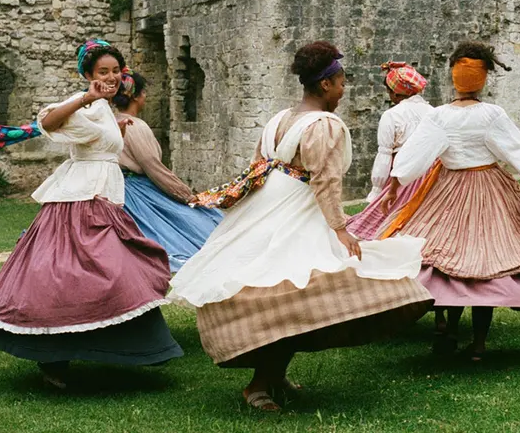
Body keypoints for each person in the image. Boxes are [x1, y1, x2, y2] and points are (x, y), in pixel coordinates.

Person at [167, 41, 433, 412]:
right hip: (296, 209)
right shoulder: (324, 125)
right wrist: (340, 228)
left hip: (272, 202)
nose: (343, 91)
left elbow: (259, 165)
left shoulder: (279, 119)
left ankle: (272, 377)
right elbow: (325, 180)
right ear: (325, 85)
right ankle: (260, 383)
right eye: (341, 83)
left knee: (287, 293)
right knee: (291, 291)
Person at [0, 39, 182, 388]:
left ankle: (128, 347)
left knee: (117, 270)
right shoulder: (83, 104)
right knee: (73, 275)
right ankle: (52, 355)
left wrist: (113, 130)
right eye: (103, 71)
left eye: (116, 70)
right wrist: (87, 97)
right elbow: (49, 120)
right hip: (77, 202)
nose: (112, 77)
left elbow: (97, 141)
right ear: (88, 74)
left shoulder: (105, 110)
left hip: (104, 198)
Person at [378, 41, 520, 361]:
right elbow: (517, 152)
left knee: (449, 259)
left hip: (449, 192)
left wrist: (395, 186)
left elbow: (414, 155)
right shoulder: (491, 114)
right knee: (488, 261)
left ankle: (449, 329)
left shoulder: (440, 117)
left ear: (454, 78)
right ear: (483, 80)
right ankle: (478, 343)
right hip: (489, 189)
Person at [114, 69, 223, 272]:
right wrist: (186, 195)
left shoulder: (111, 121)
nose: (145, 96)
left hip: (121, 187)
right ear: (136, 97)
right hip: (137, 191)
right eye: (144, 92)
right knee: (201, 221)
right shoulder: (133, 125)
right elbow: (153, 167)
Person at [347, 61, 434, 240]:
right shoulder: (433, 111)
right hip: (430, 171)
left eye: (389, 92)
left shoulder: (392, 115)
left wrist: (377, 189)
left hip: (401, 173)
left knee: (385, 218)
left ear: (395, 92)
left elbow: (384, 155)